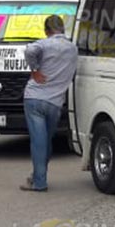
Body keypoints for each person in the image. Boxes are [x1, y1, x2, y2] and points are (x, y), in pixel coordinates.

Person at [20, 14, 78, 192]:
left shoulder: (44, 44)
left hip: (34, 98)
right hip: (55, 102)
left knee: (38, 142)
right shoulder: (72, 48)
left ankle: (39, 182)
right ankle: (38, 176)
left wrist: (35, 69)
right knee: (46, 141)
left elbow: (29, 50)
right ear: (62, 29)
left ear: (47, 30)